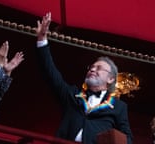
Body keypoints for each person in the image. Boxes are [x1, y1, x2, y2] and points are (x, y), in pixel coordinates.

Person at [35, 12, 133, 144]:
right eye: (91, 67)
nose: (92, 69)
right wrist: (42, 40)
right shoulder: (72, 94)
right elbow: (51, 73)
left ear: (110, 79)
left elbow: (128, 139)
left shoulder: (119, 107)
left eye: (98, 68)